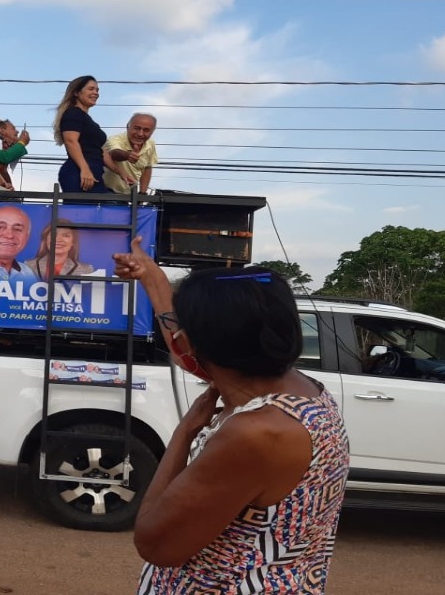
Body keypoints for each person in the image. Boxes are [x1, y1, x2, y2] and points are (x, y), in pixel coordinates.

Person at [112, 239, 350, 594]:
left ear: (194, 341)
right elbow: (187, 352)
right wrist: (151, 277)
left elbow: (154, 544)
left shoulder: (255, 433)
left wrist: (185, 431)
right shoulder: (296, 389)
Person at [53, 75, 132, 193]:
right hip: (79, 173)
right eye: (91, 89)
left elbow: (100, 151)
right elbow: (71, 141)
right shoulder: (73, 113)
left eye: (97, 90)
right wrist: (85, 169)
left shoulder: (88, 121)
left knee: (110, 204)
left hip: (94, 172)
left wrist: (120, 172)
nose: (96, 93)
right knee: (84, 210)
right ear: (76, 93)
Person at [103, 113, 160, 194]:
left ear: (152, 132)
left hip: (128, 195)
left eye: (146, 130)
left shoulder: (150, 145)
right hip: (105, 191)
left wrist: (142, 193)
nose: (140, 134)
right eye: (137, 128)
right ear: (127, 127)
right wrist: (127, 155)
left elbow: (147, 168)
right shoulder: (115, 140)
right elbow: (114, 153)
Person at [24, 224, 94, 279]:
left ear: (73, 242)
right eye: (54, 234)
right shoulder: (28, 266)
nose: (58, 240)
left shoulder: (86, 270)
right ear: (46, 239)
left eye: (66, 235)